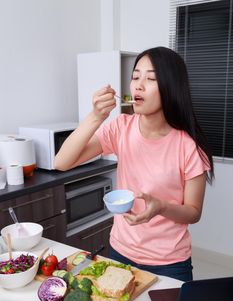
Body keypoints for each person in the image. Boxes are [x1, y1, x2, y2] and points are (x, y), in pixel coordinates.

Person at [54, 46, 214, 282]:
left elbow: (193, 212)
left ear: (171, 87)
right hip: (120, 251)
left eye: (150, 78)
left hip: (169, 262)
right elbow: (61, 162)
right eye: (135, 76)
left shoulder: (188, 146)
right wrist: (96, 116)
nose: (138, 84)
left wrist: (161, 207)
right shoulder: (121, 127)